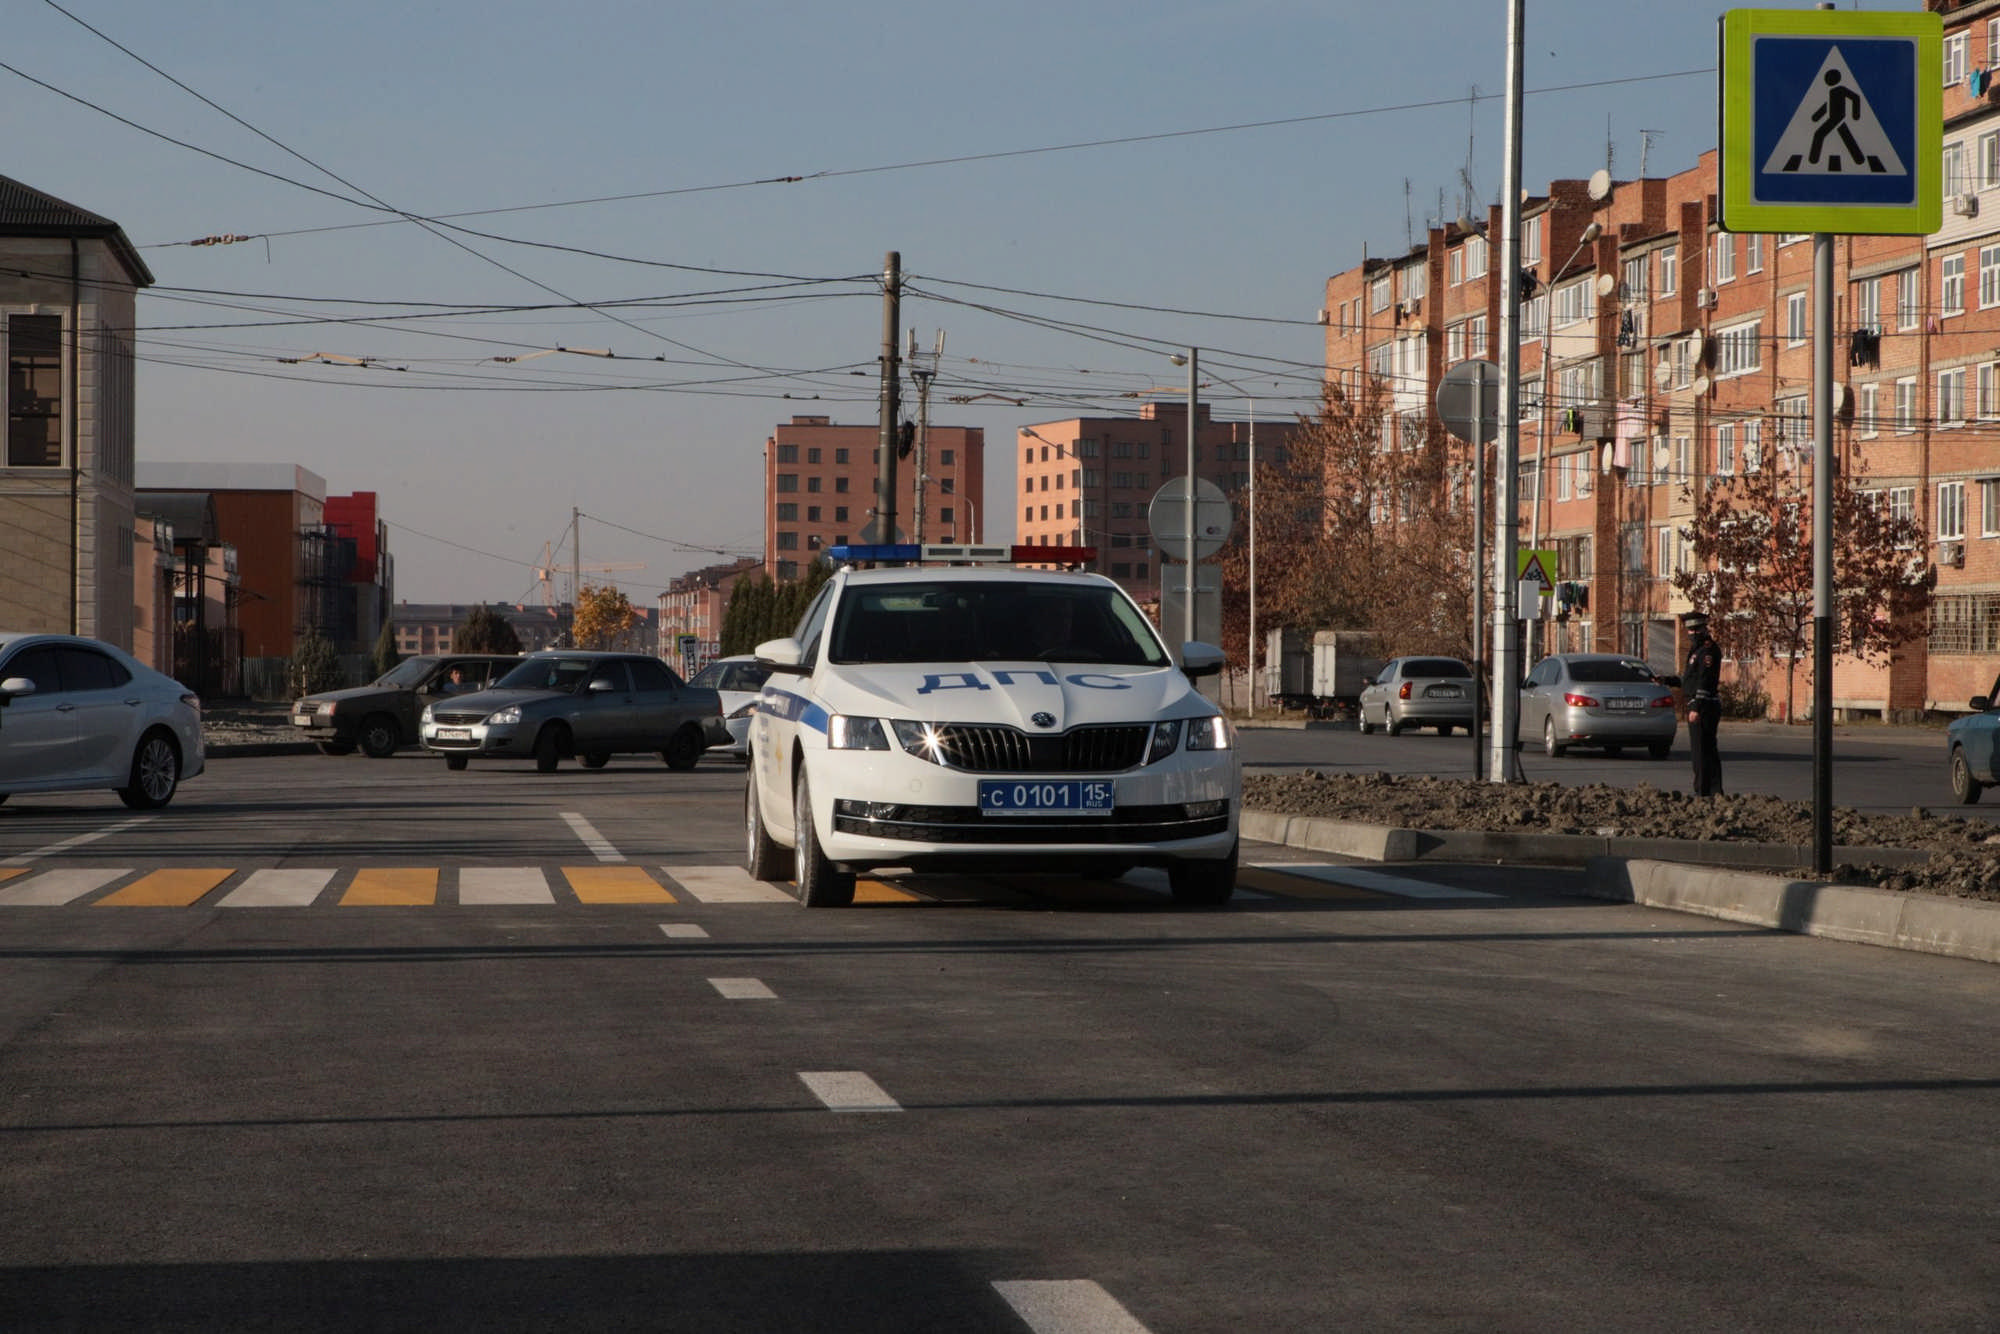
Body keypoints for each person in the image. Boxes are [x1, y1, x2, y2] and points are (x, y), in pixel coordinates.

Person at [1683, 612, 1723, 796]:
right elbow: (1690, 680)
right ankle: (1710, 792)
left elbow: (1704, 681)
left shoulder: (1707, 650)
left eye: (1694, 629)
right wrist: (1666, 680)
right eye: (1689, 630)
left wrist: (1695, 708)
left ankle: (1705, 793)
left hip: (1705, 706)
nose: (1691, 633)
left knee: (1702, 753)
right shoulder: (1696, 650)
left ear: (1703, 628)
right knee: (1704, 751)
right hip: (1700, 704)